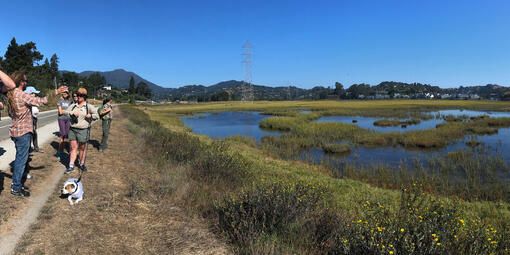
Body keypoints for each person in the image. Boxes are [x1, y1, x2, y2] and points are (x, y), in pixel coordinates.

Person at [6, 71, 66, 197]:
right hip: (23, 132)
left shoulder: (10, 94)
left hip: (15, 131)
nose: (26, 84)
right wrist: (56, 92)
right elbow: (41, 101)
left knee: (19, 158)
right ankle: (16, 187)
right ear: (21, 82)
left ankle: (18, 180)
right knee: (21, 160)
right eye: (26, 81)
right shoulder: (21, 94)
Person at [64, 88, 98, 174]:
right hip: (72, 129)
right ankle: (71, 166)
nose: (78, 97)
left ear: (84, 97)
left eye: (80, 95)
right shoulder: (73, 105)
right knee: (73, 148)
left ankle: (81, 164)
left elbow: (97, 115)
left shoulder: (88, 106)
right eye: (77, 95)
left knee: (82, 149)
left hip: (83, 130)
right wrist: (71, 113)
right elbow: (65, 112)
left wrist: (90, 115)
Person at [24, 86, 43, 153]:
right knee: (29, 134)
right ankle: (28, 148)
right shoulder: (27, 100)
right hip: (29, 119)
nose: (35, 95)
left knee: (34, 133)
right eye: (34, 93)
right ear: (30, 93)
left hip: (34, 119)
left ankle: (35, 147)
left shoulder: (32, 100)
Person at [56, 88, 71, 158]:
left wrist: (66, 111)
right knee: (62, 135)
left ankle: (62, 152)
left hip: (68, 119)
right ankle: (59, 152)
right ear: (62, 93)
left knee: (66, 136)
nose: (65, 94)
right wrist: (67, 111)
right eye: (64, 93)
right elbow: (60, 112)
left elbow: (70, 110)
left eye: (66, 93)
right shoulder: (59, 101)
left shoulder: (69, 101)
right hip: (61, 119)